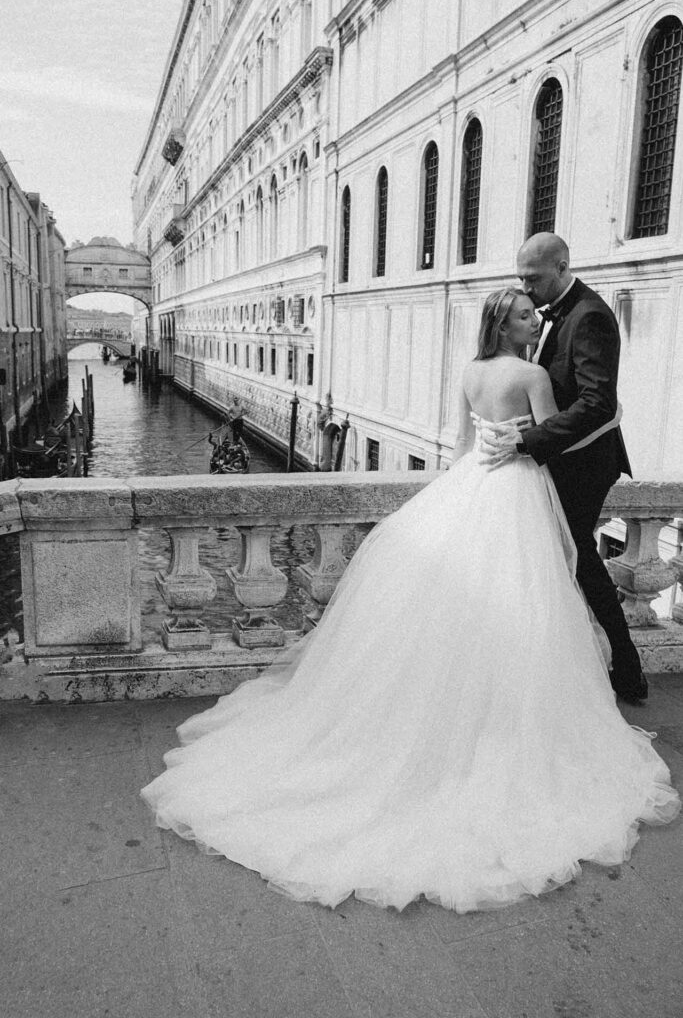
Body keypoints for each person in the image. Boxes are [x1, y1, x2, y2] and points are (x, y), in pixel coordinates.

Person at [141, 288, 679, 915]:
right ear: (506, 325)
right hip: (517, 493)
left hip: (469, 485)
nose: (538, 323)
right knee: (522, 613)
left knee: (467, 613)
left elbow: (459, 445)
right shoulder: (531, 373)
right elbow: (552, 439)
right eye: (528, 317)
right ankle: (500, 723)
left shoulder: (472, 371)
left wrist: (456, 495)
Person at [479, 233, 647, 706]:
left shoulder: (589, 315)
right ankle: (591, 666)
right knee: (565, 559)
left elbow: (597, 403)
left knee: (577, 558)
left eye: (533, 279)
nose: (526, 288)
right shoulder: (554, 313)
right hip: (561, 457)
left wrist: (527, 441)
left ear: (561, 267)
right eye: (521, 279)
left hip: (586, 463)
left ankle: (624, 666)